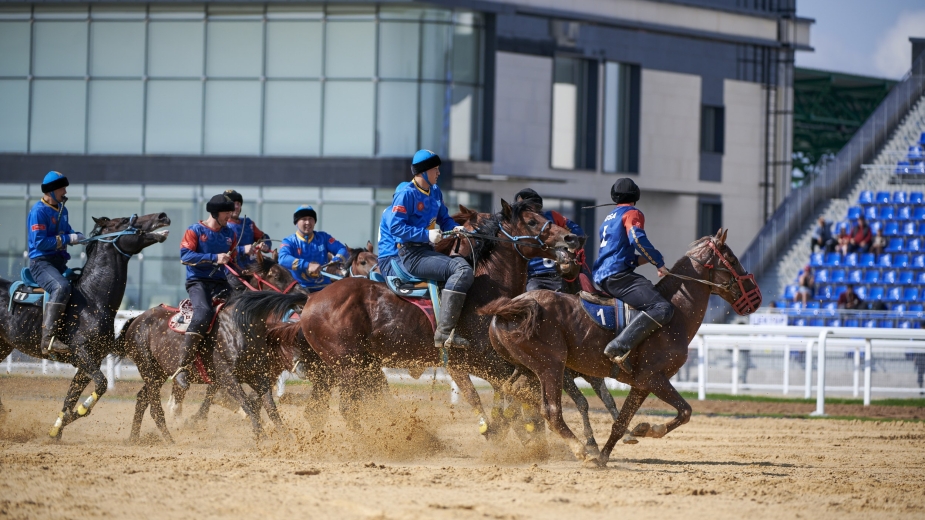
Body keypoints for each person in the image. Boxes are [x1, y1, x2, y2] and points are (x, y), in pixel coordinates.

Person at [378, 150, 471, 350]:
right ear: (423, 172)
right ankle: (444, 333)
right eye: (435, 169)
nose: (438, 173)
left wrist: (455, 227)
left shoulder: (436, 191)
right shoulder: (406, 194)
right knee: (462, 270)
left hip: (426, 251)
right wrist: (426, 235)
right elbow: (395, 227)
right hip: (411, 255)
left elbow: (444, 218)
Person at [592, 178, 673, 374]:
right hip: (618, 276)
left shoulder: (608, 218)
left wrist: (648, 259)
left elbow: (621, 254)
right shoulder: (633, 213)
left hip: (604, 276)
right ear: (636, 196)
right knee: (662, 308)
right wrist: (658, 263)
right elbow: (637, 239)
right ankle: (618, 346)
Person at [175, 194, 255, 390]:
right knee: (203, 314)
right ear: (216, 213)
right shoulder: (195, 230)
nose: (231, 215)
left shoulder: (230, 234)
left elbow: (231, 259)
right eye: (227, 212)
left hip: (221, 282)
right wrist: (214, 257)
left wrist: (244, 271)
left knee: (243, 311)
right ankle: (182, 367)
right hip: (198, 283)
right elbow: (185, 256)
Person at [27, 171, 85, 355]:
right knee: (61, 287)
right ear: (51, 191)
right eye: (62, 187)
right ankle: (47, 339)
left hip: (58, 264)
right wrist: (69, 238)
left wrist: (78, 236)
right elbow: (40, 243)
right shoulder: (38, 211)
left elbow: (67, 231)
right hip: (41, 264)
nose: (65, 190)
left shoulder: (62, 209)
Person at [513, 188, 586, 293]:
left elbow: (578, 232)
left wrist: (566, 246)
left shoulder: (552, 216)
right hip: (534, 277)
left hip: (558, 273)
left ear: (534, 205)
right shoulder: (520, 225)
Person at [278, 205, 348, 292]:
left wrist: (335, 262)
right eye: (304, 219)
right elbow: (283, 259)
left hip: (325, 289)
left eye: (311, 218)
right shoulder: (289, 241)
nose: (308, 222)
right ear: (296, 222)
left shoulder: (323, 237)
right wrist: (308, 265)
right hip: (300, 290)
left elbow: (343, 249)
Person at [223, 189, 271, 271]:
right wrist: (242, 249)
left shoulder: (248, 223)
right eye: (233, 204)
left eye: (238, 204)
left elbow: (263, 237)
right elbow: (220, 248)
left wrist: (265, 245)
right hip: (231, 271)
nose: (237, 207)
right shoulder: (221, 225)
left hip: (253, 268)